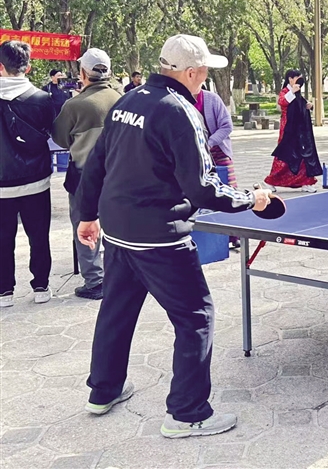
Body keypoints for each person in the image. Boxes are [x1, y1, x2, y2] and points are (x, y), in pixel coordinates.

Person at [75, 34, 272, 438]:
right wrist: (251, 199)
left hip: (119, 231)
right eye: (205, 72)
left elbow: (96, 163)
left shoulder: (128, 100)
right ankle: (187, 412)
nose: (206, 78)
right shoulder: (180, 111)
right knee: (196, 317)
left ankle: (103, 390)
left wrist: (87, 215)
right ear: (191, 72)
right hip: (160, 237)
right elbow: (202, 188)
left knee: (116, 310)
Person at [52, 48, 121, 300]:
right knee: (116, 227)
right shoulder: (122, 99)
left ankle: (94, 281)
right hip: (118, 175)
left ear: (83, 73)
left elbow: (59, 138)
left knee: (85, 228)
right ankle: (119, 276)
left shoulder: (75, 105)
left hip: (83, 177)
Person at [0, 41, 55, 307]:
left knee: (2, 239)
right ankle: (41, 286)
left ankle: (4, 291)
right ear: (28, 67)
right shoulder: (43, 99)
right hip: (36, 181)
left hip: (1, 185)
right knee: (39, 236)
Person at [193, 87, 241, 248]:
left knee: (230, 190)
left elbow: (227, 126)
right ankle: (206, 237)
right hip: (194, 154)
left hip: (219, 152)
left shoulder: (212, 99)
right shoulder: (178, 100)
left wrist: (210, 143)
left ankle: (234, 235)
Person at [264, 69, 321, 192]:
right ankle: (271, 181)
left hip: (299, 129)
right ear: (290, 79)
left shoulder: (298, 92)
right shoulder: (285, 91)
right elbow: (282, 102)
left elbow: (301, 104)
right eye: (296, 78)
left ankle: (306, 182)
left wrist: (309, 105)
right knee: (285, 155)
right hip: (288, 128)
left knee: (303, 154)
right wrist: (292, 92)